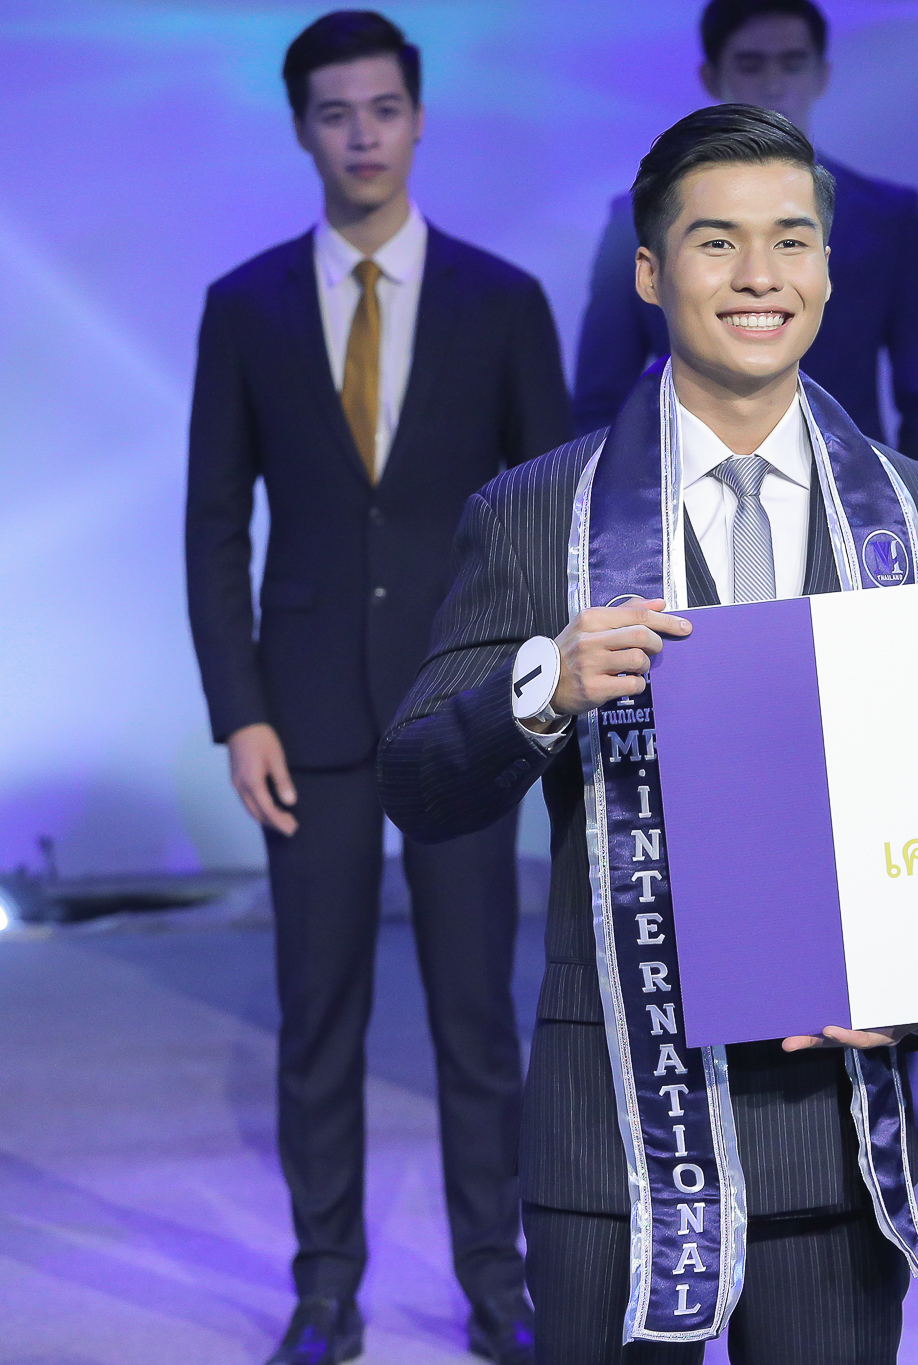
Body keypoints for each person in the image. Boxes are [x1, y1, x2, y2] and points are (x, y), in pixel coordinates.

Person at [378, 104, 918, 1365]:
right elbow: (418, 780)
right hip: (612, 1129)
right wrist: (545, 685)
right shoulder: (536, 512)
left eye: (792, 240)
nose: (760, 276)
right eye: (717, 243)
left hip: (830, 1128)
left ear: (828, 266)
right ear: (650, 273)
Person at [184, 13, 570, 1364]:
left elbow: (547, 519)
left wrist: (530, 698)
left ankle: (497, 1285)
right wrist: (239, 711)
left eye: (384, 108)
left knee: (476, 1016)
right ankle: (325, 1289)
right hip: (305, 719)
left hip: (460, 710)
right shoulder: (244, 305)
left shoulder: (500, 300)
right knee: (318, 1019)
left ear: (417, 119)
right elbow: (214, 522)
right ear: (303, 127)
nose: (362, 134)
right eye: (336, 112)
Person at [571, 0, 918, 474]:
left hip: (852, 490)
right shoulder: (635, 218)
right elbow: (600, 398)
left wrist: (906, 500)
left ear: (821, 75)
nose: (774, 85)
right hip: (683, 486)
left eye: (792, 64)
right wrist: (621, 504)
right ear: (711, 77)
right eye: (751, 65)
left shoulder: (888, 218)